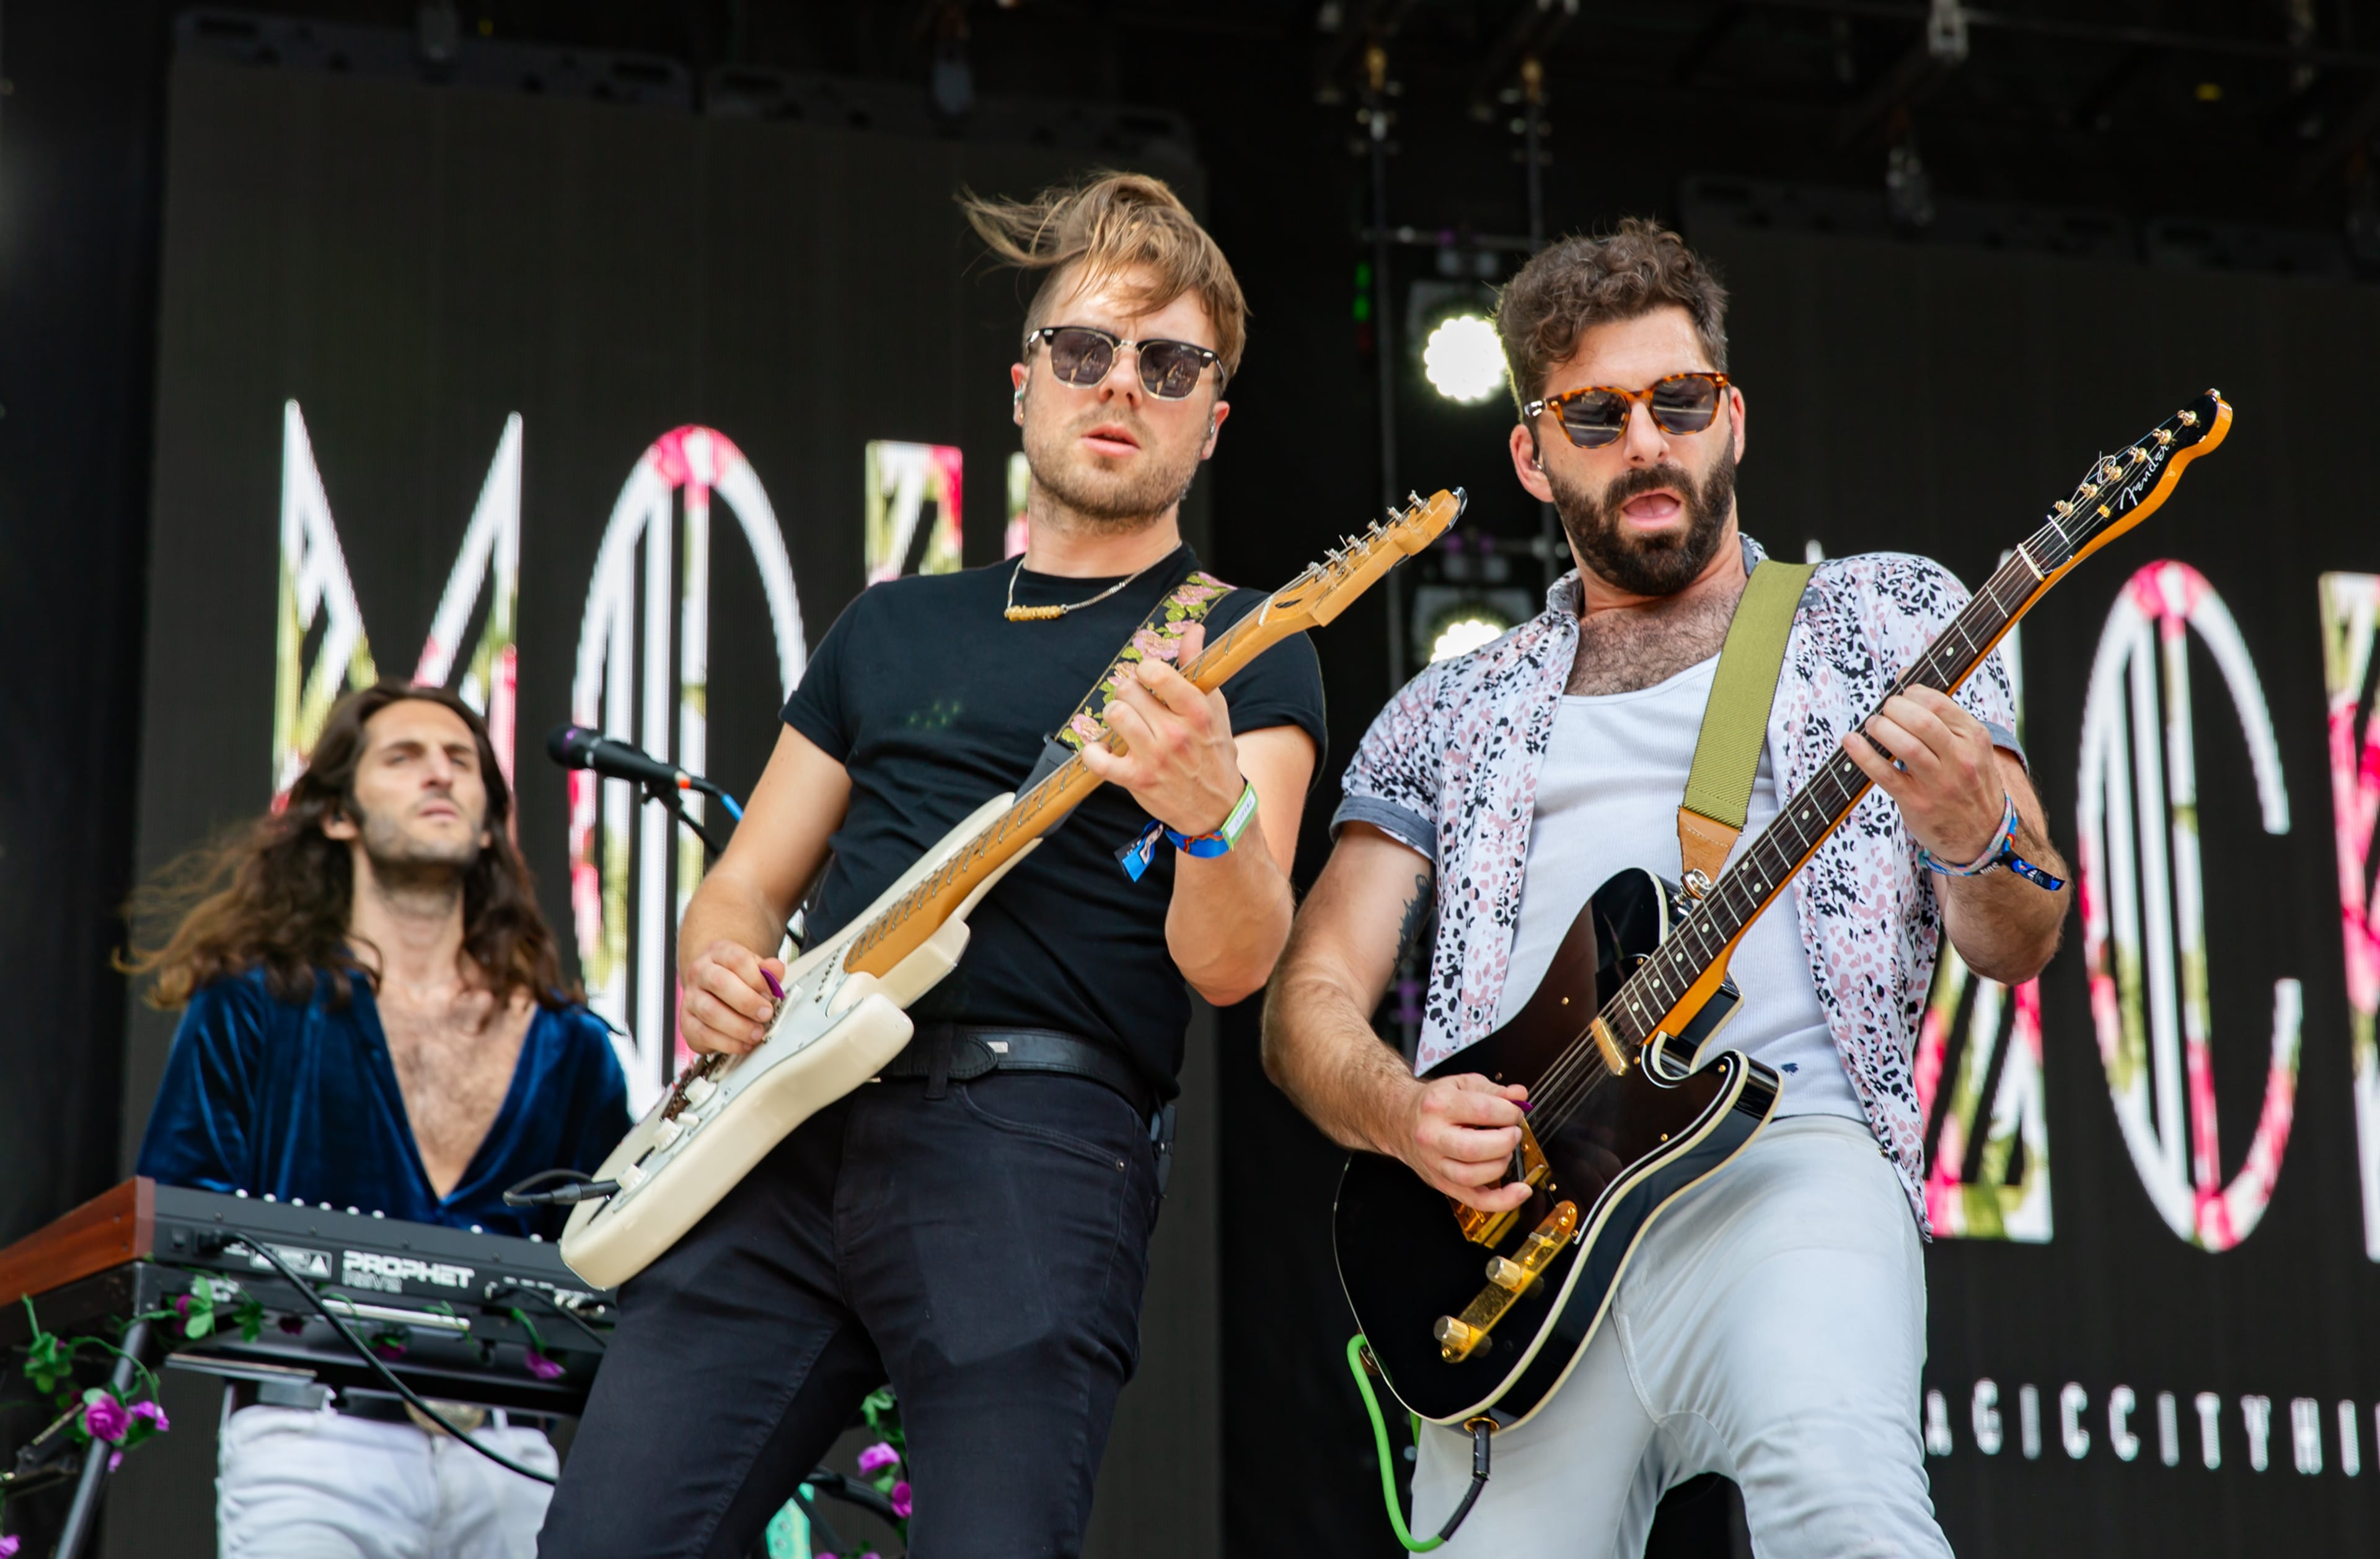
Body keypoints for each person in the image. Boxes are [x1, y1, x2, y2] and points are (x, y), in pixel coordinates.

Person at [539, 170, 1326, 1559]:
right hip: (781, 1129)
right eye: (1083, 351)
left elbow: (1231, 963)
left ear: (1213, 417)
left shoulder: (1245, 642)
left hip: (1029, 1142)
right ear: (1024, 385)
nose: (1119, 384)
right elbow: (743, 885)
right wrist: (718, 967)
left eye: (1167, 364)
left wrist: (1210, 816)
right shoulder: (891, 625)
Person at [1262, 219, 2070, 1557]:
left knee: (1843, 1503)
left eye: (1678, 401)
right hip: (1518, 1240)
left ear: (1731, 417)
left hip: (1787, 1168)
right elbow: (1310, 1001)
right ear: (1531, 451)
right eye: (1596, 413)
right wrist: (1402, 1112)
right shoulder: (1446, 708)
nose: (1647, 440)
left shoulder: (1884, 619)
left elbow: (2023, 930)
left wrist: (1977, 832)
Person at [129, 682, 630, 1559]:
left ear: (488, 825)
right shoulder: (254, 1006)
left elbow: (615, 1264)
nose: (439, 773)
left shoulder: (571, 1045)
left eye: (462, 761)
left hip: (512, 1452)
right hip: (313, 1442)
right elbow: (177, 1224)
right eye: (403, 757)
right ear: (338, 817)